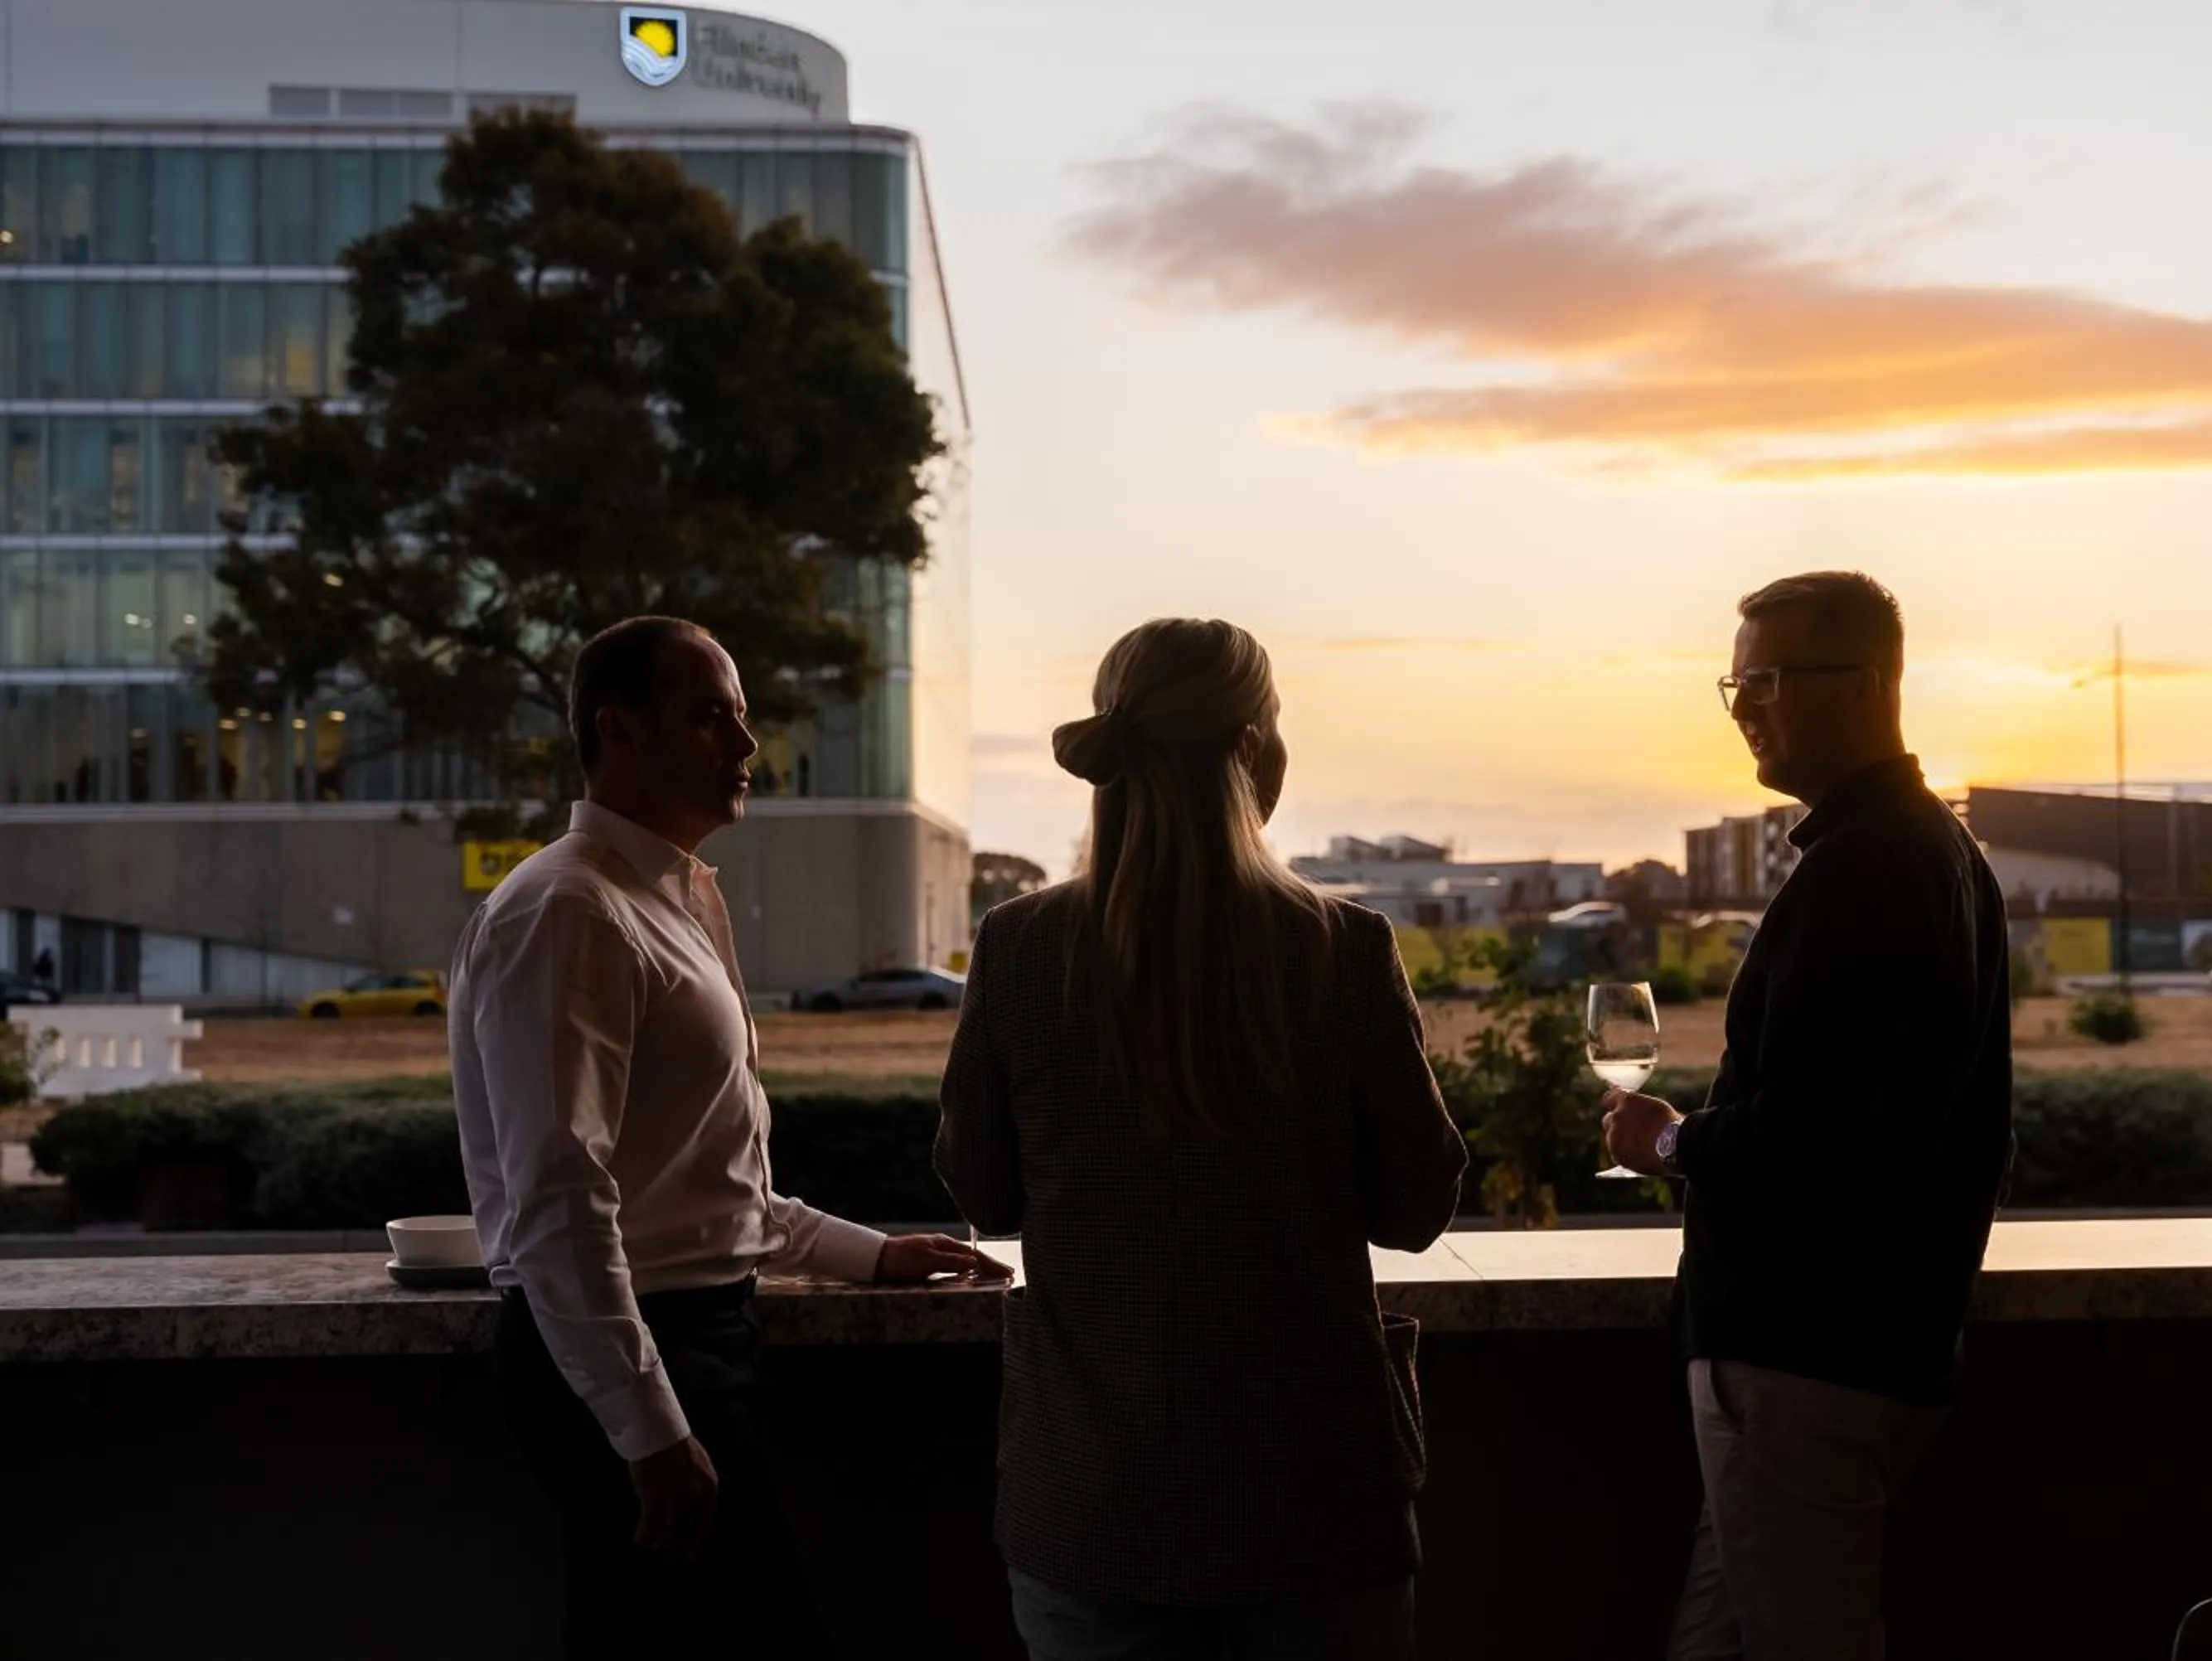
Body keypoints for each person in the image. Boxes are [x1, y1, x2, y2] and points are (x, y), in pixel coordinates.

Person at [450, 615, 1000, 1656]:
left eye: (742, 718)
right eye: (711, 719)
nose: (747, 747)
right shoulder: (569, 911)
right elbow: (560, 1197)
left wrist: (867, 1253)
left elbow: (706, 1177)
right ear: (619, 731)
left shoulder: (676, 900)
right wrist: (648, 1428)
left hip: (694, 1340)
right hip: (633, 1354)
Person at [937, 617, 1469, 1661]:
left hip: (1095, 1498)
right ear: (1254, 751)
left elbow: (986, 1195)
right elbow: (1416, 1211)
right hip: (1314, 1502)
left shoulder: (1019, 949)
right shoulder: (1345, 950)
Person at [1602, 573, 2014, 1661]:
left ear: (1873, 685)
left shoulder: (1867, 870)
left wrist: (1670, 1143)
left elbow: (1815, 1134)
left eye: (1770, 680)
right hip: (1867, 1343)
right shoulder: (1933, 852)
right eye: (1735, 683)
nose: (1745, 706)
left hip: (1803, 1356)